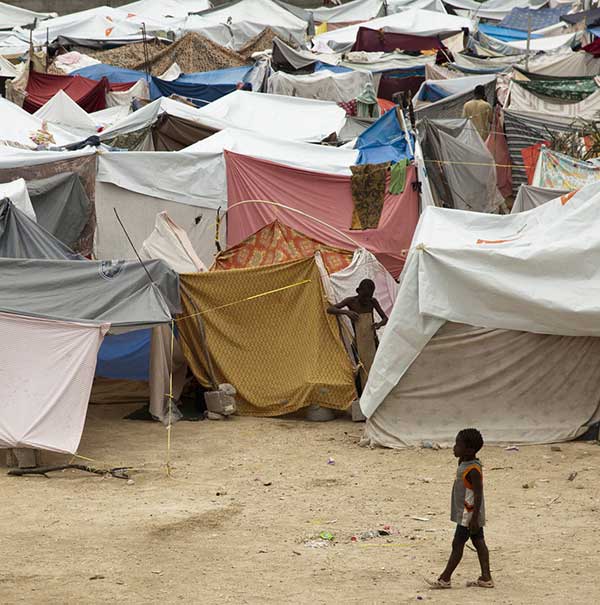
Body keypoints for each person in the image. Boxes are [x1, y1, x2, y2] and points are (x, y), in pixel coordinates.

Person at [426, 428, 494, 590]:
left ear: (470, 450)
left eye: (458, 445)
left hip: (468, 515)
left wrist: (475, 518)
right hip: (469, 513)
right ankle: (486, 577)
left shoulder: (473, 470)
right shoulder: (465, 462)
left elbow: (478, 495)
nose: (454, 447)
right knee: (478, 542)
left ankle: (445, 579)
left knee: (458, 544)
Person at [327, 279, 388, 390]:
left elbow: (385, 319)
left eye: (368, 297)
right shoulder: (351, 302)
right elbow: (330, 309)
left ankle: (378, 390)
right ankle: (362, 392)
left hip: (372, 340)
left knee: (376, 366)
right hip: (358, 341)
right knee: (360, 368)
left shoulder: (372, 302)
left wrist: (378, 325)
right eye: (364, 296)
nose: (366, 300)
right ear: (358, 291)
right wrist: (346, 312)